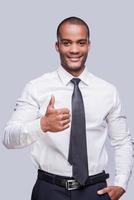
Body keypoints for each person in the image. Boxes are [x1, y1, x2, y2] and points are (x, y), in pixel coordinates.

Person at [3, 16, 133, 200]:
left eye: (81, 43)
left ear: (89, 45)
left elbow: (122, 142)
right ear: (57, 46)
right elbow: (9, 138)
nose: (74, 50)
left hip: (94, 191)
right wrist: (42, 125)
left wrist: (121, 183)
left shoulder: (108, 91)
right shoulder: (36, 87)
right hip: (49, 190)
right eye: (66, 43)